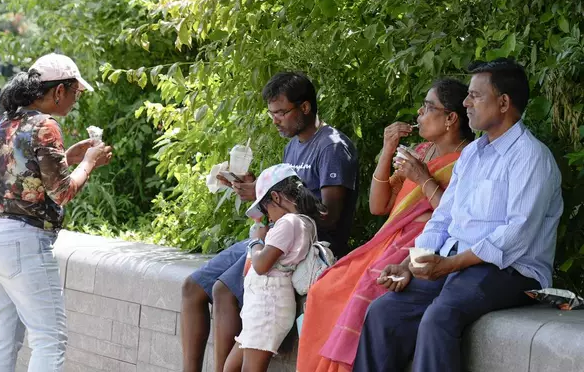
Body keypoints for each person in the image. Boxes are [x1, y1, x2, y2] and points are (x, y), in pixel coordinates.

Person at [352, 58, 564, 372]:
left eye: (475, 96)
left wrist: (450, 264)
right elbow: (444, 217)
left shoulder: (531, 157)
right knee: (385, 311)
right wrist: (412, 263)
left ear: (503, 102)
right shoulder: (472, 155)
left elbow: (515, 236)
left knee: (440, 317)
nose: (466, 102)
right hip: (459, 265)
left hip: (512, 271)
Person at [181, 72, 359, 372]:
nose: (276, 120)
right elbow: (285, 200)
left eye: (281, 113)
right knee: (191, 287)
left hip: (301, 245)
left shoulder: (332, 147)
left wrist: (274, 197)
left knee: (223, 291)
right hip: (275, 235)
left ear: (304, 108)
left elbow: (330, 215)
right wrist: (260, 192)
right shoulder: (293, 146)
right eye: (272, 113)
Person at [296, 78, 474, 372]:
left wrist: (423, 179)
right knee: (324, 289)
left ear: (451, 118)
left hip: (425, 242)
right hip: (391, 238)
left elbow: (459, 216)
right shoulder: (421, 151)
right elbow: (379, 207)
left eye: (428, 107)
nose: (419, 112)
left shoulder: (470, 159)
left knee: (362, 290)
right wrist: (388, 148)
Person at [0, 53, 113, 372]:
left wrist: (67, 157)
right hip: (24, 243)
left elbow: (27, 179)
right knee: (49, 338)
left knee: (1, 337)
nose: (75, 99)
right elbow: (62, 191)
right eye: (76, 92)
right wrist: (89, 162)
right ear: (59, 91)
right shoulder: (46, 126)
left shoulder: (8, 121)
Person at [223, 164, 325, 372]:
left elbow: (261, 265)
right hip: (263, 304)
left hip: (268, 306)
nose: (268, 217)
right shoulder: (302, 222)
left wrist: (255, 241)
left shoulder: (289, 223)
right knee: (230, 367)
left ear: (276, 198)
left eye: (265, 208)